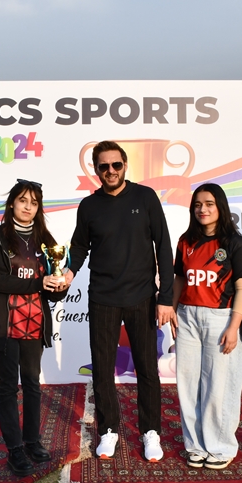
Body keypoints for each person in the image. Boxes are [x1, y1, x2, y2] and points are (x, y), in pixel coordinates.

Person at [65, 140, 174, 462]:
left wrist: (166, 297)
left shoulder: (145, 197)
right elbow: (79, 247)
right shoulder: (89, 206)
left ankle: (150, 432)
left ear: (125, 165)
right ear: (96, 170)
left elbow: (163, 247)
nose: (110, 171)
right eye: (104, 166)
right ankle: (108, 430)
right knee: (102, 369)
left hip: (142, 297)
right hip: (103, 298)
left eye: (116, 165)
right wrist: (68, 272)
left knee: (147, 369)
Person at [0, 179, 68, 476]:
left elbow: (51, 287)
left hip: (35, 324)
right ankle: (14, 448)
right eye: (23, 200)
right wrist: (38, 283)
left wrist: (58, 286)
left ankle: (32, 441)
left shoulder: (45, 238)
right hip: (6, 325)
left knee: (32, 384)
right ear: (12, 204)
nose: (28, 207)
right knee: (8, 387)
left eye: (34, 202)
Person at [170, 183, 242, 470]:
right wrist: (172, 308)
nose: (202, 209)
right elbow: (180, 278)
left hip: (221, 318)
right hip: (187, 317)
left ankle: (220, 447)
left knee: (219, 386)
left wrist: (234, 326)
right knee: (188, 385)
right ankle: (195, 445)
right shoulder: (186, 241)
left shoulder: (234, 243)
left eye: (209, 204)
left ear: (220, 207)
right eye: (197, 204)